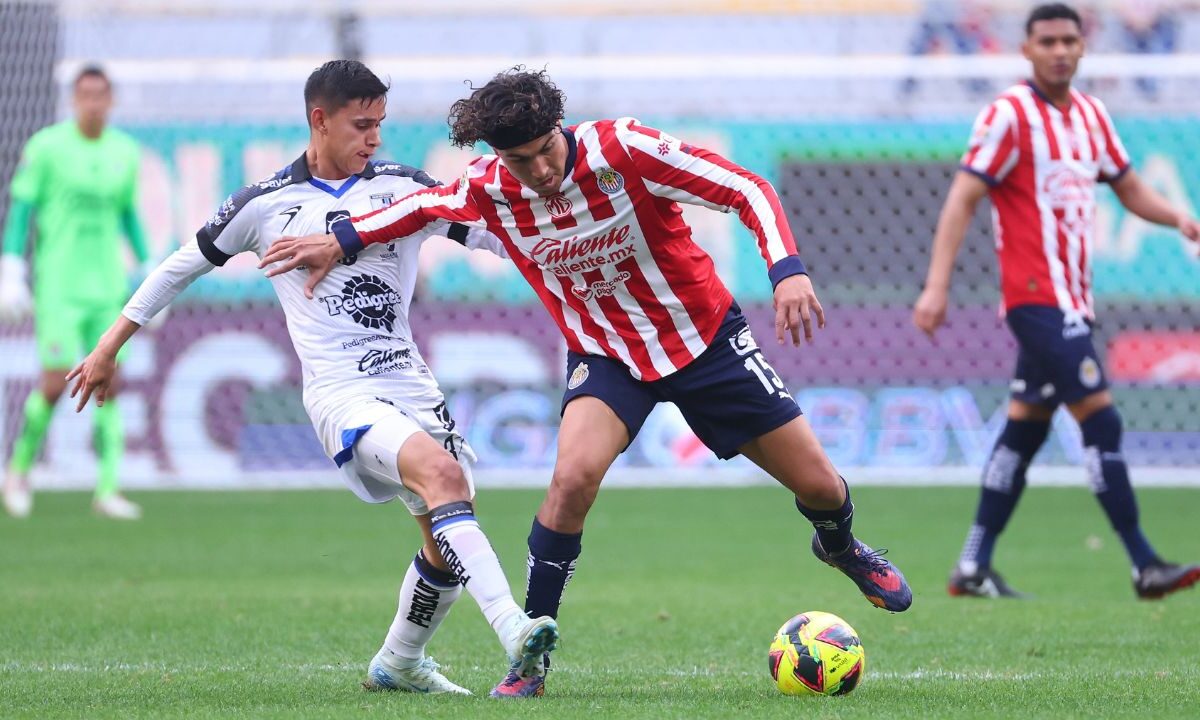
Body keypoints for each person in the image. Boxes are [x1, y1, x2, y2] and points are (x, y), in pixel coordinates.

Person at [259, 66, 914, 699]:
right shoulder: (488, 188)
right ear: (498, 156)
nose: (539, 171)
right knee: (571, 481)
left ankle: (840, 546)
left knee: (821, 486)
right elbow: (417, 209)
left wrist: (787, 269)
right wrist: (339, 240)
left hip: (702, 340)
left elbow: (746, 188)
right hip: (607, 357)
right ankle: (531, 657)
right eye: (521, 160)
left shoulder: (625, 149)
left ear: (560, 126)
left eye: (546, 151)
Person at [66, 60, 558, 696]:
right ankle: (515, 629)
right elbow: (177, 269)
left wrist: (558, 247)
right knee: (441, 479)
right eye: (361, 125)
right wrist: (109, 347)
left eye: (380, 124)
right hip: (341, 395)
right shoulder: (265, 204)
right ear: (319, 120)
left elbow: (490, 236)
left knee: (446, 532)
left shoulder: (403, 187)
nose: (375, 138)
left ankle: (399, 662)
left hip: (412, 386)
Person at [912, 3, 1200, 601]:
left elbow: (1128, 186)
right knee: (1102, 416)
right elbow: (963, 197)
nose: (1060, 50)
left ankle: (971, 566)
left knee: (1025, 430)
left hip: (1075, 298)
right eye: (1048, 41)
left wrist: (1176, 216)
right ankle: (1144, 562)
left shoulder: (1092, 115)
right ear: (1027, 49)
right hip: (1035, 299)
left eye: (1070, 39)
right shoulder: (1009, 116)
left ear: (1083, 45)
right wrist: (937, 285)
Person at [1, 65, 150, 520]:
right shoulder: (46, 148)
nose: (92, 102)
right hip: (59, 286)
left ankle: (107, 489)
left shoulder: (124, 152)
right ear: (73, 99)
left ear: (111, 100)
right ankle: (18, 471)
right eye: (84, 94)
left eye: (100, 95)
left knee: (111, 383)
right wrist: (11, 267)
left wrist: (146, 267)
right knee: (52, 383)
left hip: (106, 286)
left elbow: (128, 215)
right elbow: (23, 209)